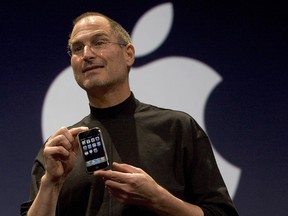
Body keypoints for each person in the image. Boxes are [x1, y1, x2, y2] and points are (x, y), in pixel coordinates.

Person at [20, 12, 239, 216]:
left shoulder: (177, 128)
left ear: (129, 54)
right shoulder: (60, 150)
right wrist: (51, 183)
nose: (86, 54)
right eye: (77, 48)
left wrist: (159, 199)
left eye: (99, 42)